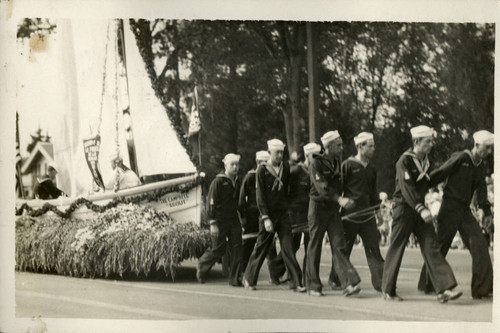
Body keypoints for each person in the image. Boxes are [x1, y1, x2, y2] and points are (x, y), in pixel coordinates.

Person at [381, 125, 462, 303]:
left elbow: (426, 182)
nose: (431, 144)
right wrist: (421, 208)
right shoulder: (404, 161)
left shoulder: (426, 160)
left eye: (432, 141)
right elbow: (407, 188)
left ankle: (444, 288)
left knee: (432, 246)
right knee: (397, 248)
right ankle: (388, 290)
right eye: (428, 141)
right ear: (417, 141)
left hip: (419, 210)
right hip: (404, 208)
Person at [417, 130, 494, 299]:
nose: (489, 152)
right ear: (477, 145)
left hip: (465, 211)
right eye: (487, 148)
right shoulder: (461, 157)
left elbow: (481, 191)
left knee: (480, 245)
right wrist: (420, 186)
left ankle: (482, 289)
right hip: (449, 207)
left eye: (491, 149)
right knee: (441, 246)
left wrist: (487, 212)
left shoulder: (481, 166)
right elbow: (441, 172)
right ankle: (428, 283)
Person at [242, 139, 306, 292]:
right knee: (261, 247)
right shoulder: (262, 170)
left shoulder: (286, 167)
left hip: (283, 214)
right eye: (277, 153)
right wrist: (265, 217)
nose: (279, 155)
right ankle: (249, 278)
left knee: (288, 247)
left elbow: (288, 190)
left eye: (281, 153)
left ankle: (296, 282)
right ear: (269, 152)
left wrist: (289, 209)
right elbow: (260, 196)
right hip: (268, 215)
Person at [305, 130, 361, 297]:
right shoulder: (316, 163)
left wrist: (347, 199)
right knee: (315, 246)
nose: (341, 147)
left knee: (339, 244)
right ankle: (313, 285)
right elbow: (322, 187)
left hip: (332, 210)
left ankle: (348, 283)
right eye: (338, 145)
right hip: (317, 208)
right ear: (328, 146)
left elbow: (340, 184)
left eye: (341, 144)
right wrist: (339, 199)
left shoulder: (337, 162)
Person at [334, 132, 385, 292]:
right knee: (344, 250)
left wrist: (378, 212)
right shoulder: (347, 165)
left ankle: (382, 283)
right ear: (360, 147)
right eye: (370, 146)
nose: (373, 149)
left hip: (368, 216)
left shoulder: (372, 168)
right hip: (350, 216)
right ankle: (337, 280)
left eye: (374, 146)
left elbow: (374, 193)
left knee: (373, 249)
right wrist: (339, 203)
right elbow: (338, 189)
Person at [268, 143, 320, 285]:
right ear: (307, 156)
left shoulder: (315, 171)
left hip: (309, 213)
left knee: (310, 245)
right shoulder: (296, 171)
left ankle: (307, 278)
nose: (317, 159)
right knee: (293, 245)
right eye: (314, 156)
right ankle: (276, 268)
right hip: (294, 213)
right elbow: (286, 190)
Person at [197, 153, 243, 286]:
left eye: (237, 164)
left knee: (237, 248)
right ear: (226, 165)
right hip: (220, 220)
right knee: (218, 248)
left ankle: (235, 278)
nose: (235, 167)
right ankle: (202, 267)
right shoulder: (218, 182)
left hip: (233, 219)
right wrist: (213, 223)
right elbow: (210, 203)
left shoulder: (236, 181)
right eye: (232, 165)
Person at [238, 150, 279, 281]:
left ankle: (275, 275)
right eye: (264, 162)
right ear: (258, 162)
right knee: (248, 246)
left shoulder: (270, 176)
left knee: (269, 246)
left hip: (265, 215)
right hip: (251, 216)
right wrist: (243, 219)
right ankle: (243, 273)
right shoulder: (250, 177)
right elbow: (241, 200)